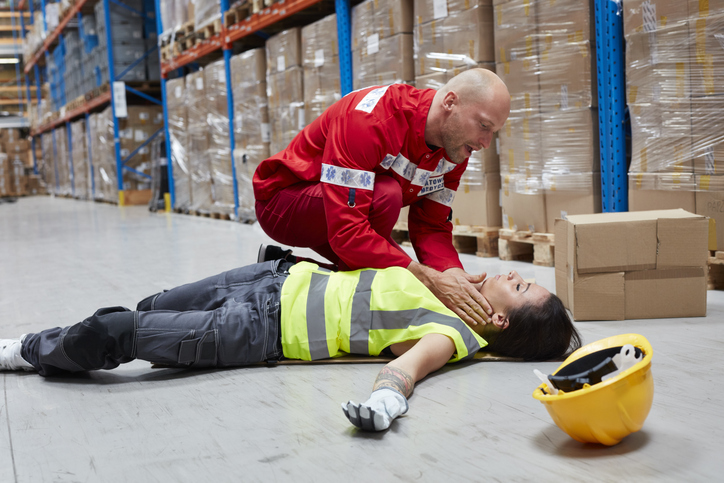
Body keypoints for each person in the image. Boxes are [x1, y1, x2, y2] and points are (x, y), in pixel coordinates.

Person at [0, 259, 580, 432]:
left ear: (500, 320)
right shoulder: (450, 285)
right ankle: (43, 348)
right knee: (151, 306)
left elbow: (408, 368)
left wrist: (387, 401)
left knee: (118, 331)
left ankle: (26, 352)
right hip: (274, 277)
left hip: (260, 329)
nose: (509, 270)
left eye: (520, 284)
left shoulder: (454, 334)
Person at [253, 68, 512, 328]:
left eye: (494, 132)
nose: (486, 142)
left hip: (345, 215)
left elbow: (431, 226)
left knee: (407, 275)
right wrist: (425, 277)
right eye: (484, 126)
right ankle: (356, 299)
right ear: (450, 102)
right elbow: (348, 233)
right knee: (387, 201)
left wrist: (452, 274)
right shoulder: (370, 120)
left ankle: (286, 268)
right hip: (283, 203)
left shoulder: (454, 150)